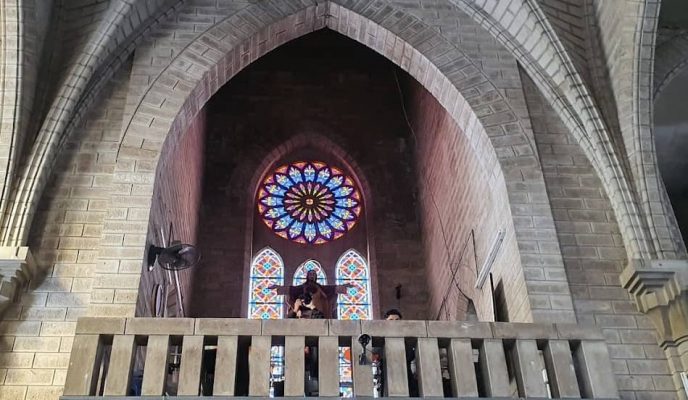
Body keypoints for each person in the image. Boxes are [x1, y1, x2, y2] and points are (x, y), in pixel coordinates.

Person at [269, 270, 352, 319]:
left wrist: (344, 286)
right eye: (310, 274)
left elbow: (332, 289)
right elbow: (292, 289)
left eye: (313, 274)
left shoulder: (320, 288)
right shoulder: (302, 287)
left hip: (318, 312)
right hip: (305, 311)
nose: (311, 276)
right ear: (307, 276)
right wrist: (278, 287)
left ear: (316, 277)